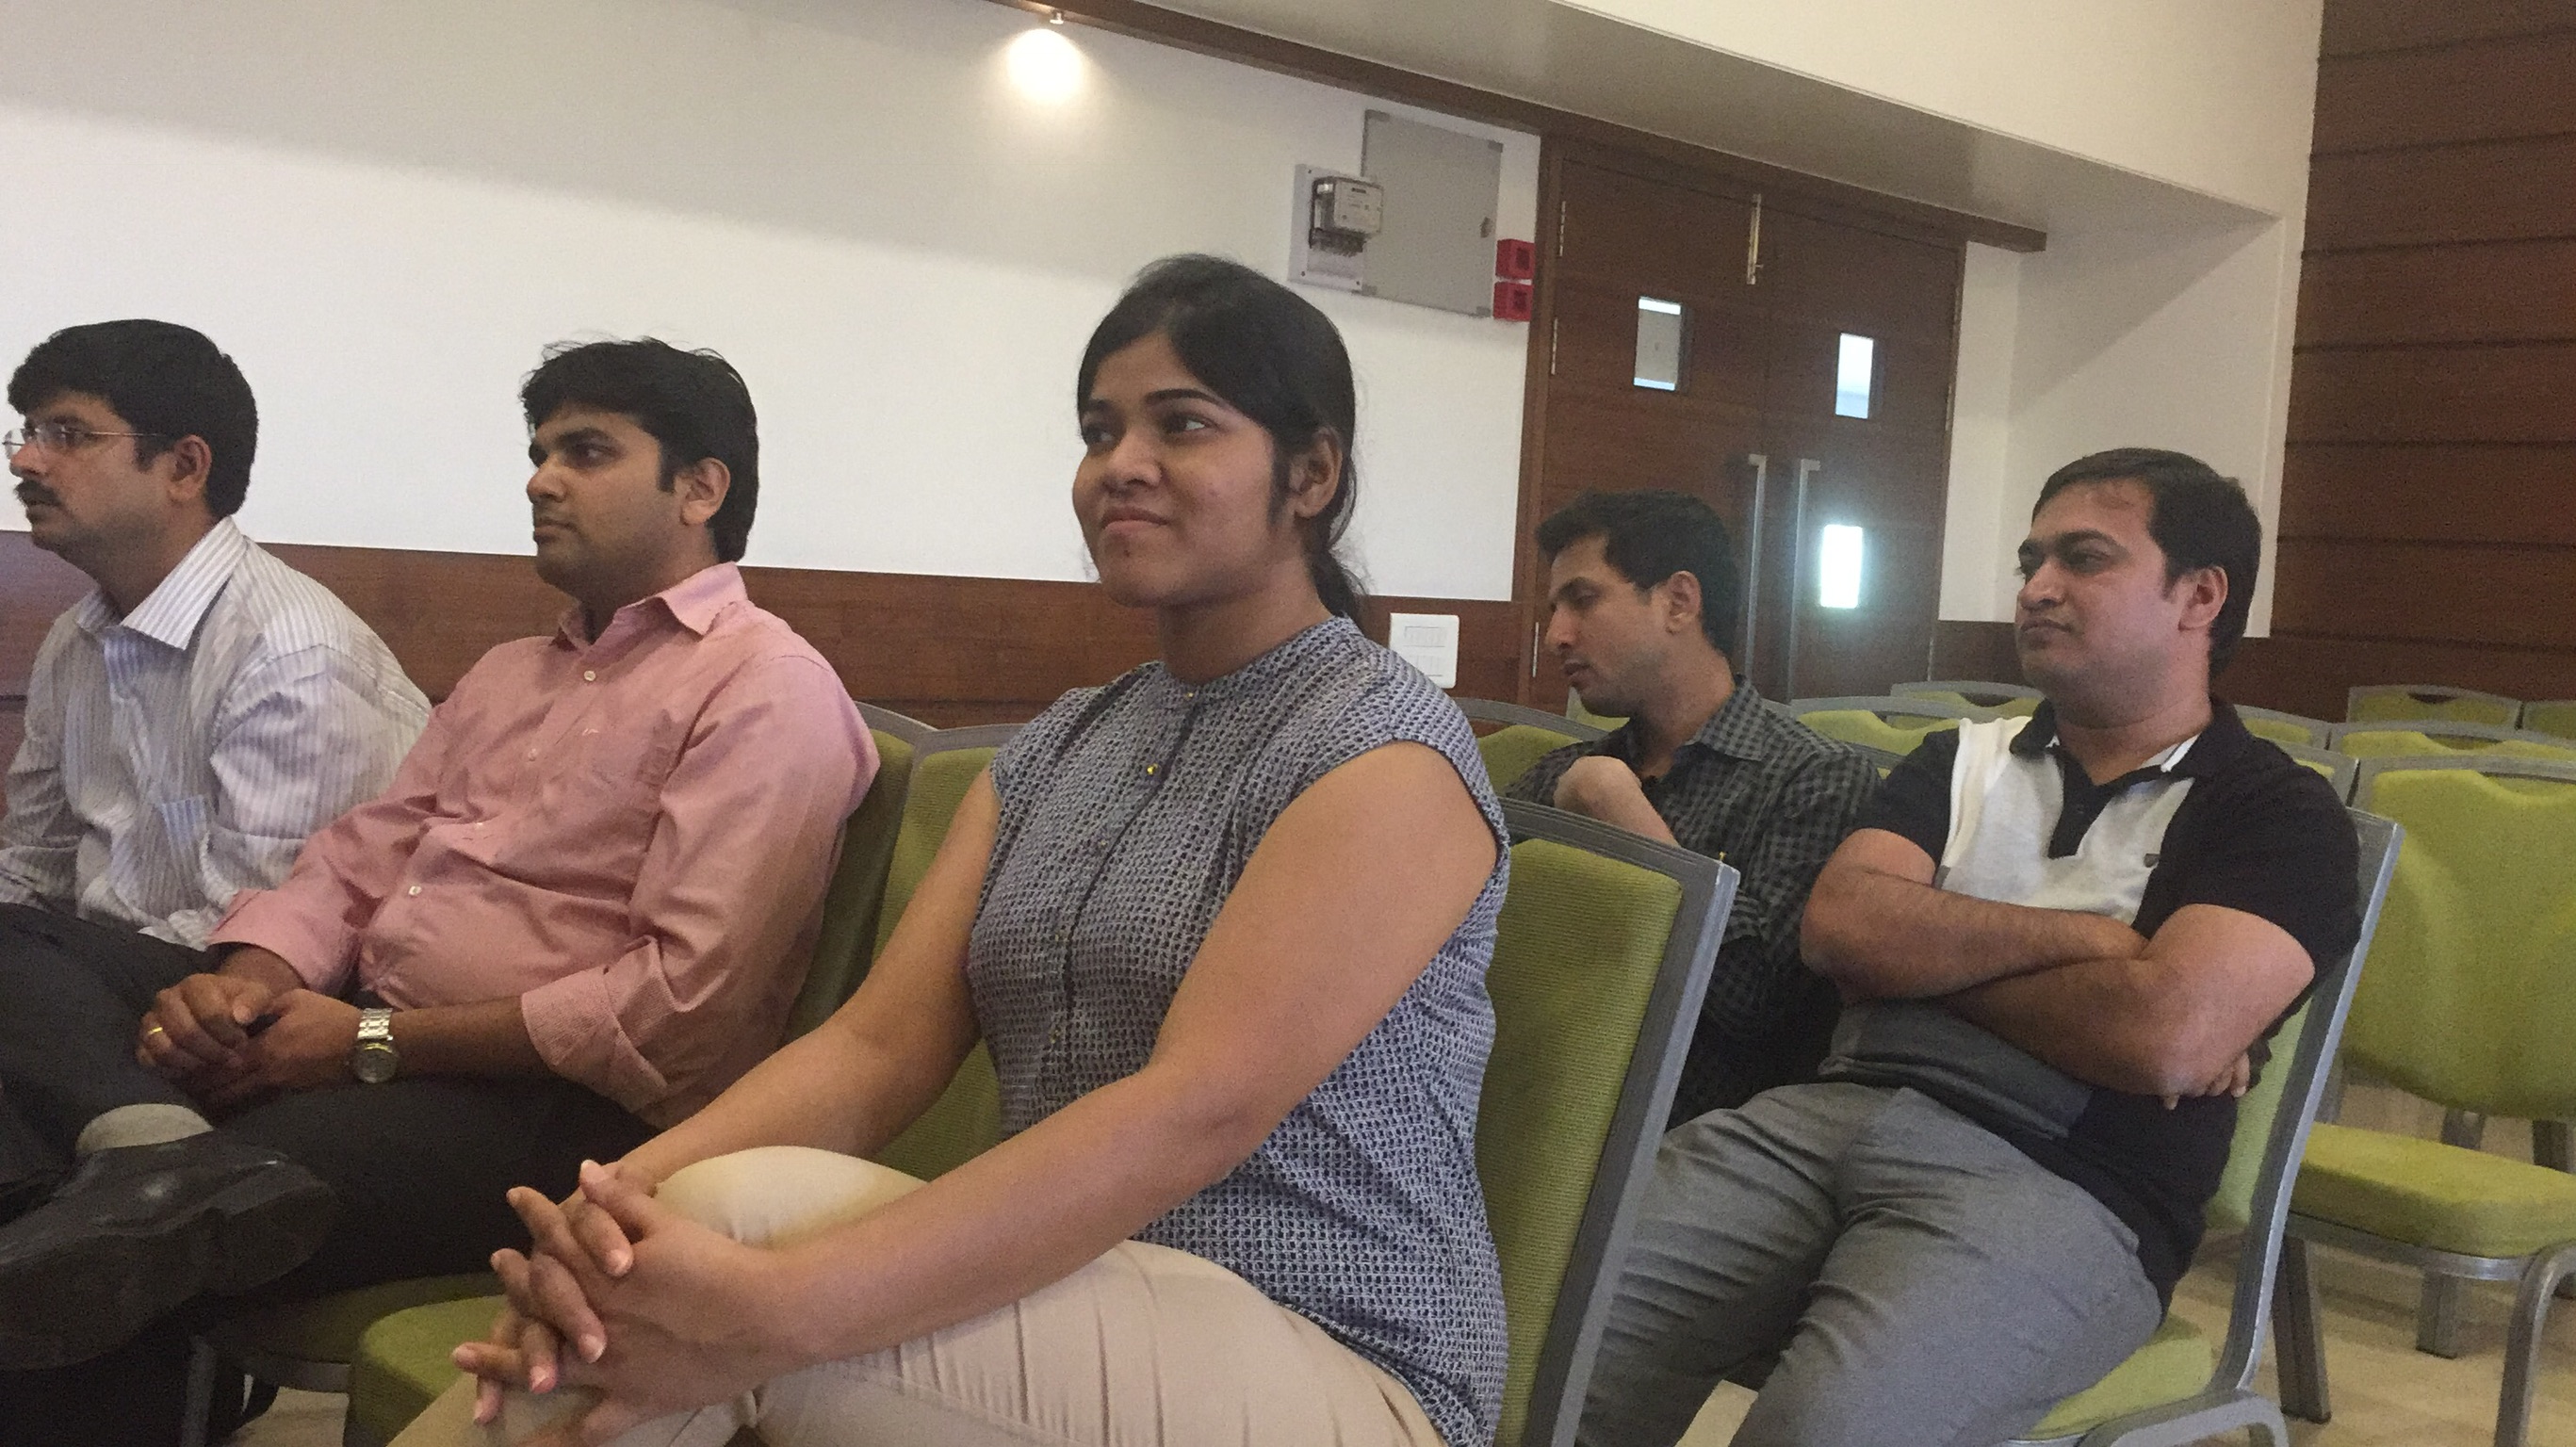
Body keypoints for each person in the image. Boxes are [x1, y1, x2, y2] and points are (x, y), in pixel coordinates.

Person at [404, 254, 1511, 1447]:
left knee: (712, 1272)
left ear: (1311, 474)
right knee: (658, 1243)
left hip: (1335, 1352)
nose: (1121, 464)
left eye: (1182, 424)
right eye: (1100, 431)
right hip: (1075, 1286)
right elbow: (876, 1051)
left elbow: (1193, 1110)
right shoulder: (1064, 745)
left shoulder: (1381, 748)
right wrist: (610, 1206)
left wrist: (781, 1310)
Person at [0, 339, 875, 1400]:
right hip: (371, 1031)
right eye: (539, 452)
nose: (540, 480)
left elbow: (679, 1008)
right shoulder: (511, 674)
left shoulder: (766, 687)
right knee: (26, 961)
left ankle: (153, 1181)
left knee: (153, 1188)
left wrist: (369, 1045)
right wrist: (247, 983)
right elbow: (355, 861)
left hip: (559, 1110)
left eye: (587, 452)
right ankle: (150, 1158)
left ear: (700, 489)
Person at [1576, 448, 2361, 1447]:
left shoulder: (2276, 813)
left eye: (2084, 559)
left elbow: (2162, 1034)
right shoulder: (1959, 758)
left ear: (2199, 596)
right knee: (1536, 1341)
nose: (2036, 588)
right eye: (2032, 561)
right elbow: (1838, 927)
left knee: (1827, 1431)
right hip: (1818, 1119)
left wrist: (1912, 969)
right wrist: (2097, 947)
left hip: (2065, 1181)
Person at [1508, 490, 1874, 1121]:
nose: (1557, 635)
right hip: (1533, 1095)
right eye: (1554, 610)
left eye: (1583, 600)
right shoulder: (1564, 773)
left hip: (1694, 1135)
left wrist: (1622, 816)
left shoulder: (1816, 778)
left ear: (1679, 601)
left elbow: (1754, 1002)